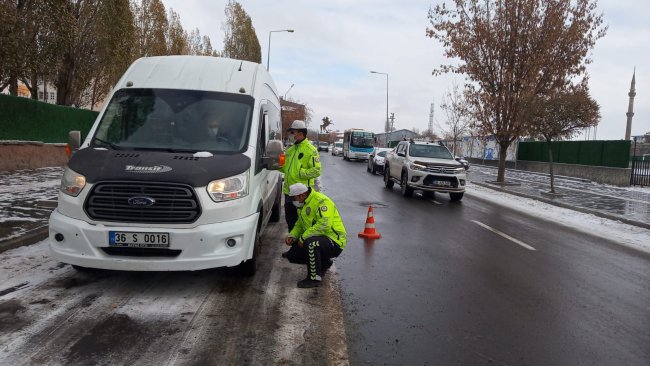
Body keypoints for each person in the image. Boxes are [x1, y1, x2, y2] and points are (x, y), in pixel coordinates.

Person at [284, 183, 346, 288]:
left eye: (294, 198)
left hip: (334, 241)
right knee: (292, 255)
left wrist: (303, 238)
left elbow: (324, 224)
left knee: (310, 244)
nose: (294, 201)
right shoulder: (303, 204)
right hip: (319, 239)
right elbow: (299, 224)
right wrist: (292, 235)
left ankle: (314, 278)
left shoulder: (322, 202)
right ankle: (324, 262)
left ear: (302, 195)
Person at [279, 120, 322, 232]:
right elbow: (285, 168)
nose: (290, 135)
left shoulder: (310, 150)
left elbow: (317, 170)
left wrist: (299, 172)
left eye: (292, 132)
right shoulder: (290, 150)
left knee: (303, 222)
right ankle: (294, 248)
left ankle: (303, 247)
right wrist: (276, 165)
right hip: (289, 192)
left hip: (302, 194)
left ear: (300, 133)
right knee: (290, 221)